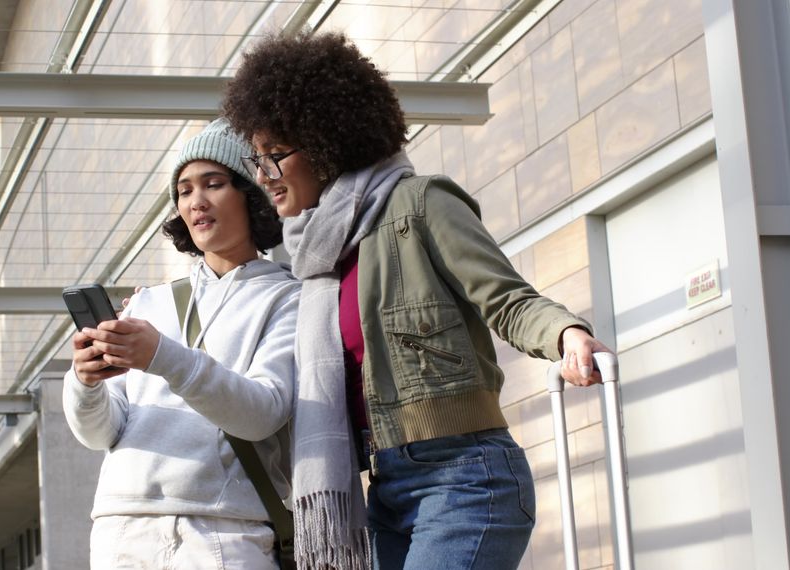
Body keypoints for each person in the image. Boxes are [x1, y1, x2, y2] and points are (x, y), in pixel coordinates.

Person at [221, 31, 613, 570]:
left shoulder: (421, 203)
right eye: (256, 158)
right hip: (386, 487)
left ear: (323, 138)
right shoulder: (316, 260)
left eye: (274, 156)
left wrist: (567, 333)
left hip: (465, 477)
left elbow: (507, 299)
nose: (263, 176)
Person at [63, 118, 300, 570]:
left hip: (223, 532)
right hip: (121, 531)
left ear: (251, 196)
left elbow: (263, 413)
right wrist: (85, 382)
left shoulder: (287, 299)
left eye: (213, 184)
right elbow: (97, 433)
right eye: (184, 190)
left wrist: (163, 357)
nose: (196, 201)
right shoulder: (148, 303)